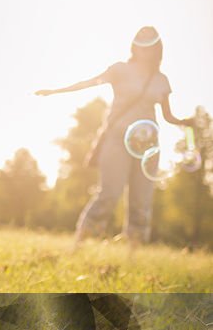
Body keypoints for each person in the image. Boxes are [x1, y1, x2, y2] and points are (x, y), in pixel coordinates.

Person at [35, 26, 193, 246]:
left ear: (157, 49)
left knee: (141, 200)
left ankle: (133, 252)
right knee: (109, 193)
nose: (145, 49)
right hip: (117, 140)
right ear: (134, 45)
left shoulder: (161, 80)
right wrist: (55, 91)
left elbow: (168, 115)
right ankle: (79, 244)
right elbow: (88, 82)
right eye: (141, 43)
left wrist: (185, 123)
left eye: (150, 44)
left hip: (148, 145)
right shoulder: (120, 69)